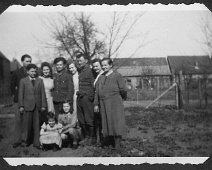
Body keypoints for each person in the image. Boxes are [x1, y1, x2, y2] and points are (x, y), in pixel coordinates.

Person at [94, 58, 127, 150]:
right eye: (103, 65)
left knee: (116, 122)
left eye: (106, 65)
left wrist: (119, 98)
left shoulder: (117, 76)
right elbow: (97, 92)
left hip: (115, 102)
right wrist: (96, 104)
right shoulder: (100, 78)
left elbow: (123, 89)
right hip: (103, 103)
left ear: (110, 65)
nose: (104, 67)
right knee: (106, 122)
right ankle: (110, 142)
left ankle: (117, 144)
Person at [18, 64, 47, 149]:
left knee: (37, 125)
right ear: (27, 72)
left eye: (35, 71)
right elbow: (20, 94)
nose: (34, 73)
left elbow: (43, 93)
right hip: (27, 106)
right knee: (27, 125)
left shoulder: (40, 81)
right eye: (31, 71)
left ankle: (36, 142)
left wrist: (43, 105)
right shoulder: (23, 81)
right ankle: (25, 141)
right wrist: (21, 105)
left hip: (37, 106)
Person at [10, 54, 32, 148]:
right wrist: (17, 95)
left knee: (26, 121)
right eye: (27, 61)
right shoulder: (16, 73)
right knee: (18, 120)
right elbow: (11, 86)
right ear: (22, 61)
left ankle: (25, 140)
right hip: (18, 100)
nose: (29, 63)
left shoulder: (32, 72)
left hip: (28, 100)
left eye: (30, 61)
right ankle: (17, 140)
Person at [76, 54, 95, 146]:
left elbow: (93, 85)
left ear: (86, 61)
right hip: (80, 98)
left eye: (80, 61)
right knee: (81, 120)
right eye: (78, 61)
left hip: (86, 98)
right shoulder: (80, 71)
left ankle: (92, 138)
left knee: (88, 120)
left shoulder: (91, 71)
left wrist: (89, 96)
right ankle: (86, 138)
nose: (79, 63)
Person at [91, 59, 104, 145]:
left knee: (102, 121)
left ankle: (103, 141)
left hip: (101, 102)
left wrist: (97, 104)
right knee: (98, 121)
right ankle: (99, 140)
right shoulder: (97, 75)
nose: (95, 68)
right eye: (94, 66)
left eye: (97, 66)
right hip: (97, 101)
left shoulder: (103, 75)